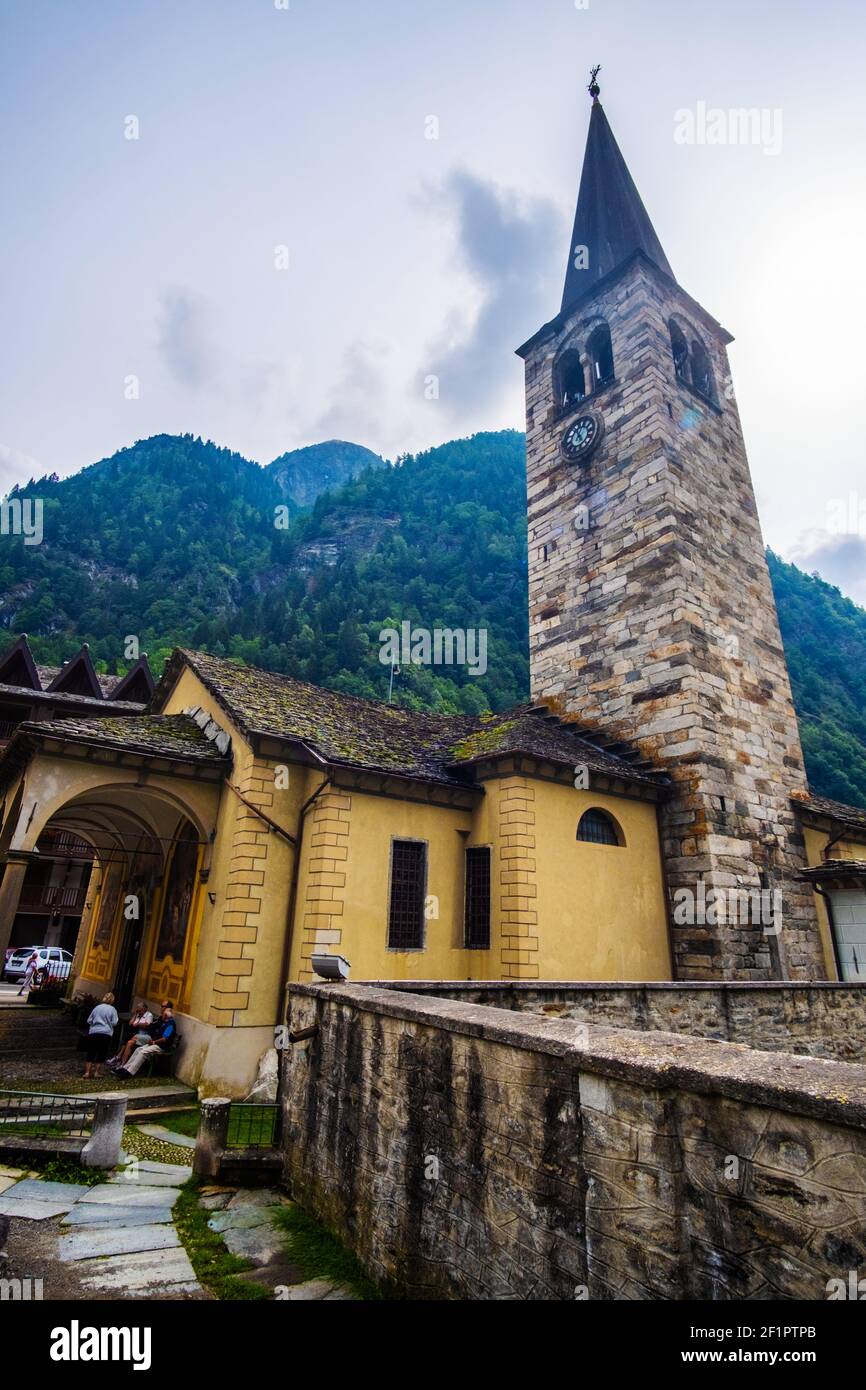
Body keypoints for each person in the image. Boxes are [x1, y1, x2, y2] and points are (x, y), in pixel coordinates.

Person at [116, 1002, 176, 1078]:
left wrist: (154, 1041)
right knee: (138, 1049)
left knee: (143, 1052)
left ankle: (129, 1072)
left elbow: (164, 1039)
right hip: (155, 1043)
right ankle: (125, 1068)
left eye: (164, 1014)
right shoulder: (163, 1022)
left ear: (167, 1016)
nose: (162, 1015)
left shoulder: (170, 1025)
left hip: (161, 1046)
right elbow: (153, 1026)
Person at [107, 1000, 154, 1069]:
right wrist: (135, 1015)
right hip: (136, 1035)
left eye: (139, 1009)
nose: (138, 1010)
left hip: (144, 1035)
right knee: (128, 1040)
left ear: (144, 1009)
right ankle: (121, 1063)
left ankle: (119, 1058)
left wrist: (138, 1024)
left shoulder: (149, 1015)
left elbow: (147, 1025)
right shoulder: (138, 1015)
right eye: (137, 1009)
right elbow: (130, 1023)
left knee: (127, 1036)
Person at [84, 992, 119, 1079]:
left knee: (91, 1051)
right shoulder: (112, 1009)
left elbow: (89, 1020)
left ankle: (87, 1072)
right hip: (106, 1033)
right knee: (102, 1052)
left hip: (94, 1031)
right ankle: (96, 1072)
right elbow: (114, 1023)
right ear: (112, 1000)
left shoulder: (97, 1007)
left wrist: (95, 1023)